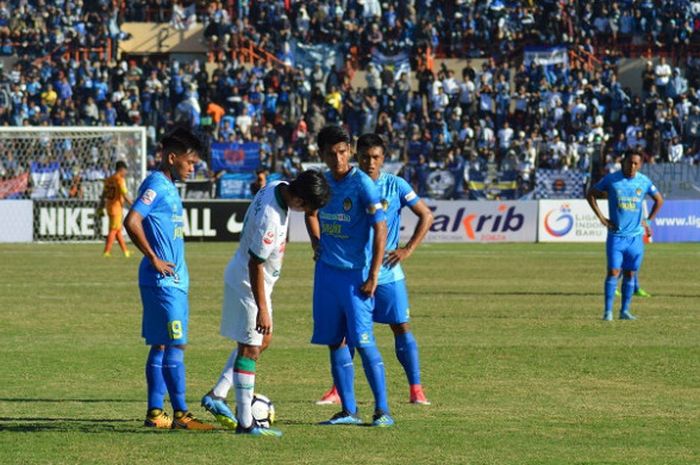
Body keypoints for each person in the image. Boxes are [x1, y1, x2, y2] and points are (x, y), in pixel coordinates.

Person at [200, 170, 330, 437]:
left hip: (253, 280)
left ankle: (217, 394)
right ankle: (246, 423)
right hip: (248, 284)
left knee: (263, 341)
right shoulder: (270, 219)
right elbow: (255, 263)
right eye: (307, 207)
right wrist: (261, 308)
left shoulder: (277, 184)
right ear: (299, 200)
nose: (307, 212)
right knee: (250, 348)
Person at [316, 133, 434, 406]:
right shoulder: (348, 185)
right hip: (354, 271)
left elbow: (426, 215)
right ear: (357, 156)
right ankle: (338, 390)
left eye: (376, 157)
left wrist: (407, 249)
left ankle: (416, 389)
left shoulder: (396, 185)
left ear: (384, 159)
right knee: (346, 332)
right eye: (366, 157)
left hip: (387, 272)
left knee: (400, 326)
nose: (370, 162)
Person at [124, 127, 214, 430]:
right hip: (163, 283)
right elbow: (132, 220)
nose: (192, 168)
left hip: (174, 282)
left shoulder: (169, 186)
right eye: (189, 163)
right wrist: (153, 258)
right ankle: (181, 415)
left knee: (163, 345)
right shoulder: (157, 185)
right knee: (175, 345)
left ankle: (155, 413)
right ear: (172, 158)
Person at [305, 125, 394, 427]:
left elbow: (380, 228)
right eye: (331, 154)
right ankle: (349, 411)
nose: (338, 159)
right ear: (322, 155)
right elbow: (310, 212)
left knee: (365, 341)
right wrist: (317, 243)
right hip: (326, 277)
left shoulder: (363, 185)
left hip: (355, 277)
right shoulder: (323, 183)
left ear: (350, 151)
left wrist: (373, 274)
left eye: (343, 152)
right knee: (335, 342)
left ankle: (382, 411)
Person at [586, 151, 663, 321]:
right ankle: (608, 312)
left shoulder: (644, 181)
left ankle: (625, 311)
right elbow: (591, 194)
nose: (632, 166)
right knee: (613, 271)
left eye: (636, 163)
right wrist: (601, 217)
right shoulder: (611, 179)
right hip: (616, 236)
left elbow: (659, 200)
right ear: (623, 163)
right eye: (630, 163)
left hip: (636, 239)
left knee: (630, 274)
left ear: (640, 165)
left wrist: (648, 221)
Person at [99, 161, 133, 257]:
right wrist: (133, 204)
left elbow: (103, 194)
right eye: (125, 171)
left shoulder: (109, 179)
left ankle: (125, 251)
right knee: (113, 230)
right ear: (121, 169)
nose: (125, 173)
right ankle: (107, 251)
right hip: (116, 208)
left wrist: (101, 205)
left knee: (117, 230)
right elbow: (124, 194)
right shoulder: (119, 180)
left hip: (109, 206)